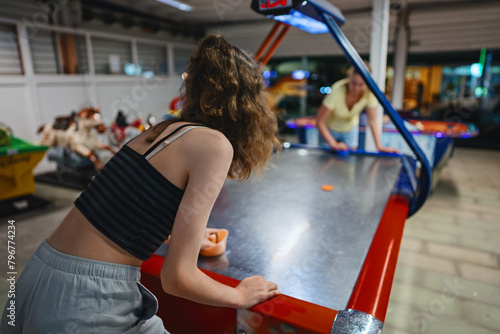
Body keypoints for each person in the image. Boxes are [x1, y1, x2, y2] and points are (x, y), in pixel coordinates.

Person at [1, 35, 281, 333]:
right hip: (86, 297)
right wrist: (240, 295)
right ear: (250, 100)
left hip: (37, 275)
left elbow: (120, 208)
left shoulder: (163, 130)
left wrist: (181, 233)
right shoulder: (215, 145)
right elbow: (177, 278)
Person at [316, 63, 399, 153]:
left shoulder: (369, 94)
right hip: (329, 130)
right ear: (349, 78)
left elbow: (372, 119)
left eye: (361, 84)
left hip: (350, 129)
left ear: (367, 83)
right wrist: (333, 144)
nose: (356, 88)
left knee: (350, 163)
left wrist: (379, 146)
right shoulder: (337, 90)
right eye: (354, 83)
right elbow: (320, 121)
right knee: (326, 161)